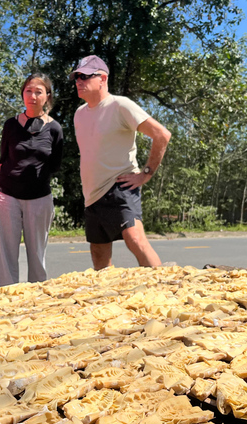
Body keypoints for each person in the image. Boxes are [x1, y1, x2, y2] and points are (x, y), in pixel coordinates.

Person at [72, 55, 171, 270]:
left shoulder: (120, 105)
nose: (79, 81)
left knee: (135, 240)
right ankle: (107, 300)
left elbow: (161, 134)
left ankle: (165, 289)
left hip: (121, 186)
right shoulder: (79, 114)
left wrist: (146, 173)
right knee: (99, 255)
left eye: (85, 76)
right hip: (92, 195)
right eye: (76, 77)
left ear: (102, 78)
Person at [0, 73, 64, 288]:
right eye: (28, 91)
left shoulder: (55, 129)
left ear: (47, 96)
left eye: (38, 91)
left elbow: (55, 165)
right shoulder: (10, 125)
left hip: (39, 197)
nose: (32, 96)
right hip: (6, 194)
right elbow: (3, 159)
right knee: (5, 253)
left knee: (37, 253)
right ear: (23, 94)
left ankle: (37, 300)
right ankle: (3, 297)